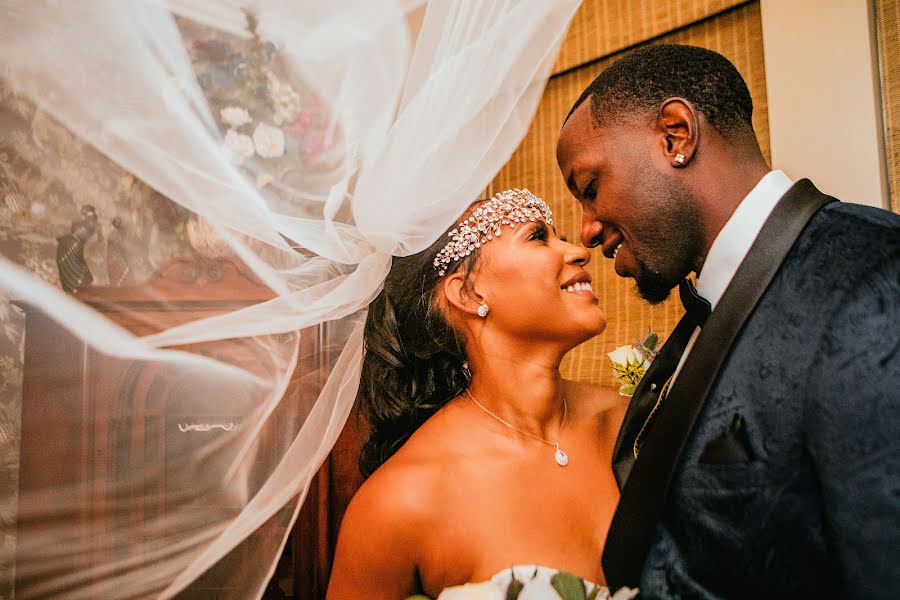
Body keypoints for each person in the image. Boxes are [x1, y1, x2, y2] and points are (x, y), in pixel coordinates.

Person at [556, 43, 900, 598]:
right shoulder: (705, 313)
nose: (588, 229)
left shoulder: (874, 280)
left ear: (675, 136)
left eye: (590, 188)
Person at [326, 189, 628, 599]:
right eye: (538, 236)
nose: (579, 251)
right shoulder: (403, 500)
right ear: (468, 294)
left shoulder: (631, 425)